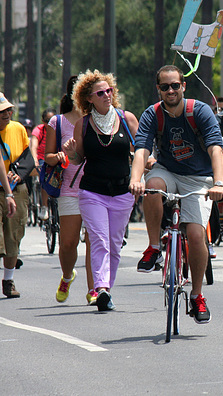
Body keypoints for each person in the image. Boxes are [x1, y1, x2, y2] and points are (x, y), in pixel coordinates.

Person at [129, 65, 223, 324]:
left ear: (184, 86)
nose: (170, 90)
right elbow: (141, 151)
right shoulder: (153, 114)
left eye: (175, 85)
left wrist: (218, 183)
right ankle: (154, 247)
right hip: (168, 171)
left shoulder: (200, 111)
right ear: (158, 89)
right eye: (164, 86)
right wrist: (135, 179)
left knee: (195, 236)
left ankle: (197, 295)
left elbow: (216, 148)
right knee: (152, 187)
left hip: (199, 178)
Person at [62, 70, 138, 312]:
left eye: (109, 90)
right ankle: (101, 288)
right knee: (99, 241)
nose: (107, 95)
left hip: (123, 192)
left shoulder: (127, 119)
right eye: (100, 93)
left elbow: (143, 151)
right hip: (92, 193)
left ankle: (107, 291)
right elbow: (77, 160)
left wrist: (145, 166)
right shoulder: (82, 124)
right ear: (89, 99)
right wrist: (72, 152)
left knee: (115, 244)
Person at [45, 76, 97, 305]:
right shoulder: (57, 122)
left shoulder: (98, 119)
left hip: (96, 187)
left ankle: (94, 289)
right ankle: (67, 276)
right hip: (69, 189)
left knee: (94, 242)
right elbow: (46, 156)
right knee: (68, 243)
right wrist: (56, 157)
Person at [0, 92, 25, 298]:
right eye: (1, 111)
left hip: (15, 190)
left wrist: (17, 173)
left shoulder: (17, 129)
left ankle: (8, 281)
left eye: (8, 109)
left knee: (13, 237)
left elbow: (27, 159)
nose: (6, 114)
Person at [30, 108, 56, 220]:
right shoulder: (39, 130)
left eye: (52, 120)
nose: (49, 123)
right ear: (42, 121)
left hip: (56, 157)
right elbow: (33, 146)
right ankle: (44, 206)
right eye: (46, 120)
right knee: (45, 178)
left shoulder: (59, 129)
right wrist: (35, 159)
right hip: (43, 159)